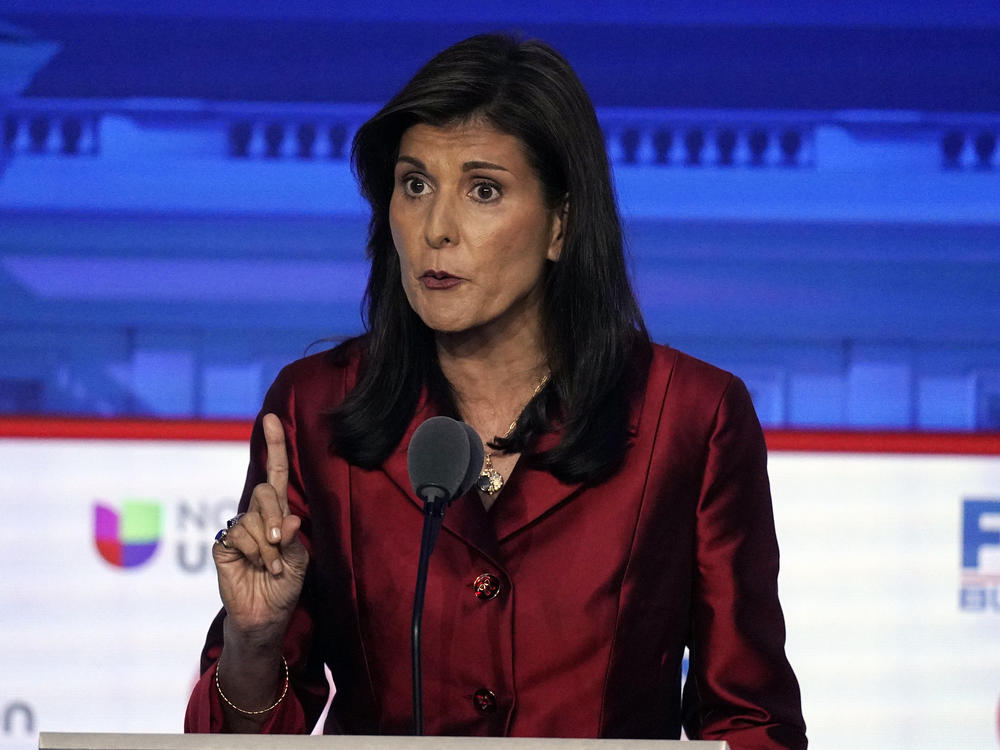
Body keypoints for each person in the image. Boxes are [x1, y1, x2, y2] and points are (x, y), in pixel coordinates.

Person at [185, 33, 807, 748]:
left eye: (483, 190)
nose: (436, 231)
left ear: (561, 224)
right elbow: (244, 734)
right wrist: (255, 640)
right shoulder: (312, 412)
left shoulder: (691, 418)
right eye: (415, 185)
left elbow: (753, 722)